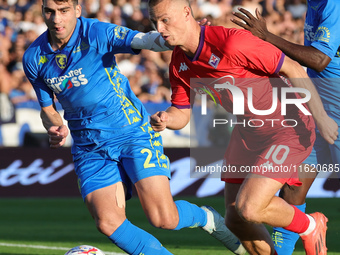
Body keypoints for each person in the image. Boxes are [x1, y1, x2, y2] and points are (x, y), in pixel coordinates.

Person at [22, 0, 246, 254]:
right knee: (108, 222)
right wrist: (55, 126)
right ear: (42, 12)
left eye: (63, 11)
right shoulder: (34, 57)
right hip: (89, 147)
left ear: (77, 10)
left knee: (164, 219)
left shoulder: (95, 32)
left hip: (131, 132)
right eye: (49, 12)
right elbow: (47, 109)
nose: (56, 19)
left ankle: (206, 218)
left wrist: (186, 32)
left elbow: (145, 40)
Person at [147, 0, 338, 254]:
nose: (159, 28)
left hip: (285, 127)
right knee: (235, 218)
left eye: (164, 20)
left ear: (186, 13)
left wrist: (322, 118)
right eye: (154, 22)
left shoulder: (230, 42)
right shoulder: (179, 63)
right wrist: (166, 119)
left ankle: (310, 225)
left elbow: (292, 68)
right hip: (247, 132)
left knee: (250, 207)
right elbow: (181, 112)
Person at [231, 2, 340, 254]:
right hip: (318, 110)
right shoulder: (315, 4)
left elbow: (319, 59)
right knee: (292, 187)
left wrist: (267, 37)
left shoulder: (333, 3)